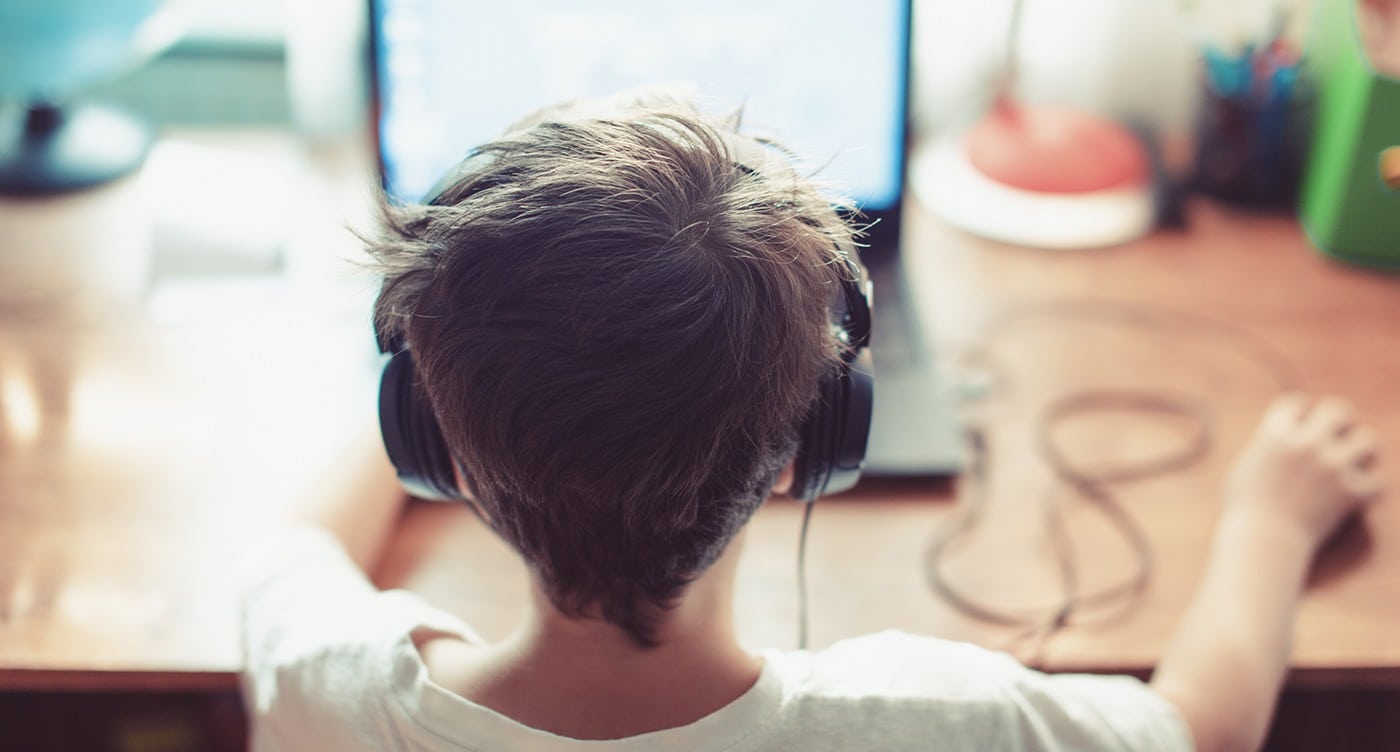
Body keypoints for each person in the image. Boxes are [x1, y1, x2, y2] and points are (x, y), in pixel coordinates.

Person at [239, 93, 1385, 752]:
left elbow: (294, 549)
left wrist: (457, 380)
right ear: (814, 442)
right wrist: (1269, 522)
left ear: (430, 447)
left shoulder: (329, 683)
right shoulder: (930, 720)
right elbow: (1199, 728)